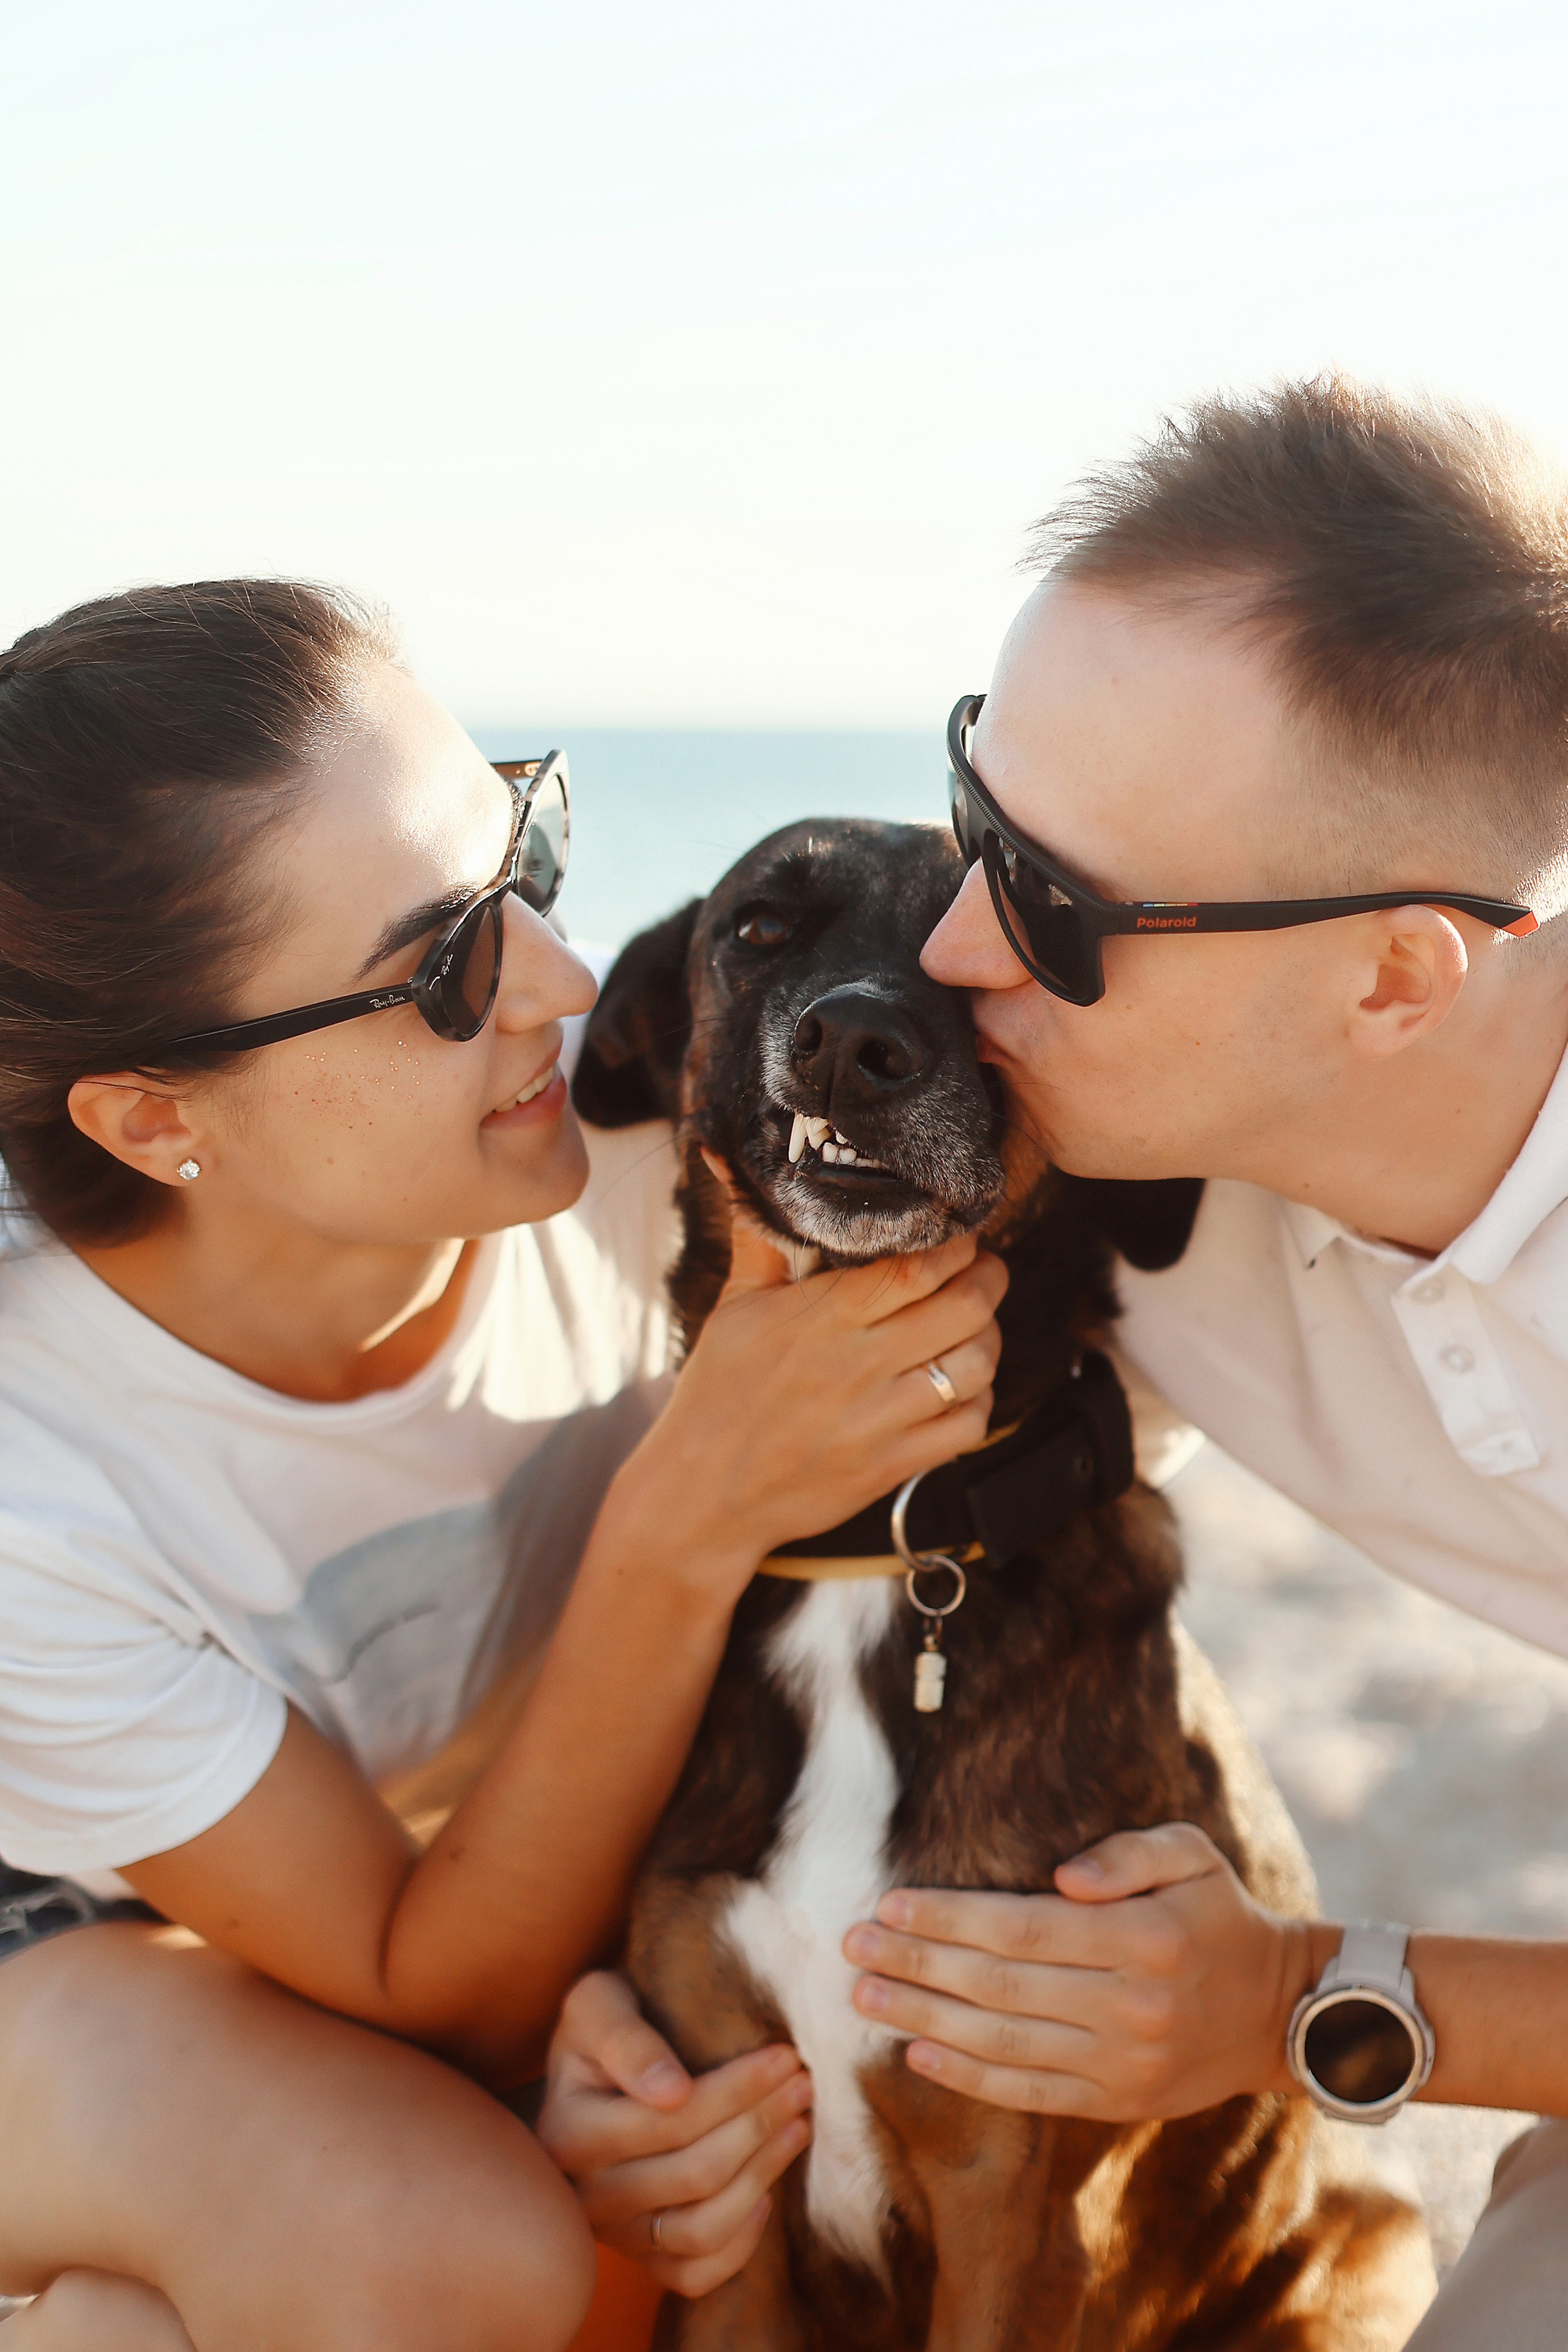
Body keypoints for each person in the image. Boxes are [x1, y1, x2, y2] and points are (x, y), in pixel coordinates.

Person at [547, 382, 1568, 2345]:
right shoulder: (1110, 1161)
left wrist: (1299, 1998)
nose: (949, 958)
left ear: (1390, 977)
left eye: (1060, 905)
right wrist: (610, 2022)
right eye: (976, 829)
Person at [0, 581, 1006, 2351]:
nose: (562, 976)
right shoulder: (33, 1476)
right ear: (157, 1119)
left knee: (644, 2211)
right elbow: (427, 1982)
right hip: (63, 1934)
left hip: (424, 1890)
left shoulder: (629, 1133)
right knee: (438, 2252)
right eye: (445, 967)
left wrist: (587, 2024)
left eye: (524, 856)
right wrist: (684, 1518)